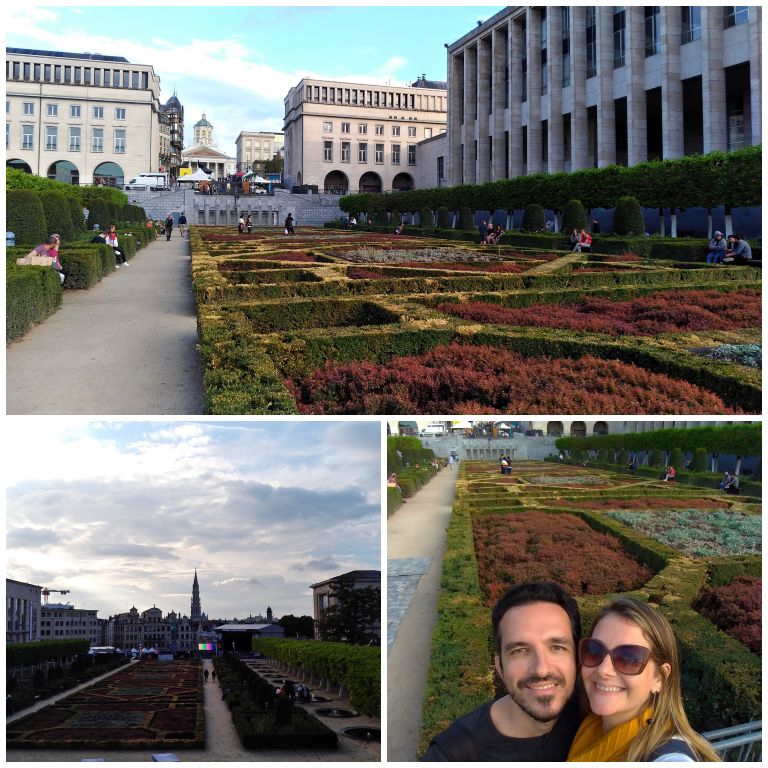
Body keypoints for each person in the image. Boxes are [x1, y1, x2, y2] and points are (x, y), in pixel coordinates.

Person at [422, 581, 582, 761]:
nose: (541, 669)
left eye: (557, 647)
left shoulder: (593, 707)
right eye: (519, 651)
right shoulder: (454, 754)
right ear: (500, 667)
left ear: (577, 659)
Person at [567, 598, 720, 762]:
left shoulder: (667, 756)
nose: (603, 670)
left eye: (628, 658)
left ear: (659, 678)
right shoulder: (586, 723)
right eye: (594, 650)